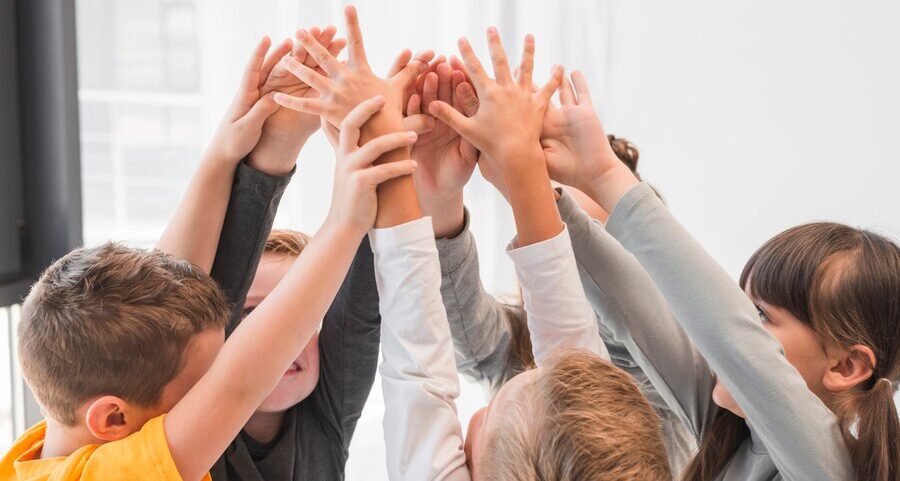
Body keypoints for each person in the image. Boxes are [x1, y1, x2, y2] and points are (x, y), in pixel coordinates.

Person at [0, 16, 425, 479]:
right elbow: (238, 384)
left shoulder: (52, 448)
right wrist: (344, 223)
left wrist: (233, 147)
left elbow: (177, 274)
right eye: (198, 390)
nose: (212, 392)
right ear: (113, 417)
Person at [515, 62, 900, 480]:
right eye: (742, 303)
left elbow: (730, 336)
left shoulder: (834, 470)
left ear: (845, 367)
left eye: (760, 315)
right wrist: (524, 174)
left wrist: (605, 174)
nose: (737, 320)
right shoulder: (729, 433)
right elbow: (637, 309)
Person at [367, 28, 670, 480]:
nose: (571, 269)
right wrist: (458, 191)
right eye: (559, 225)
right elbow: (570, 363)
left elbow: (424, 367)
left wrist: (518, 172)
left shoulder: (655, 384)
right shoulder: (578, 414)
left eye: (588, 251)